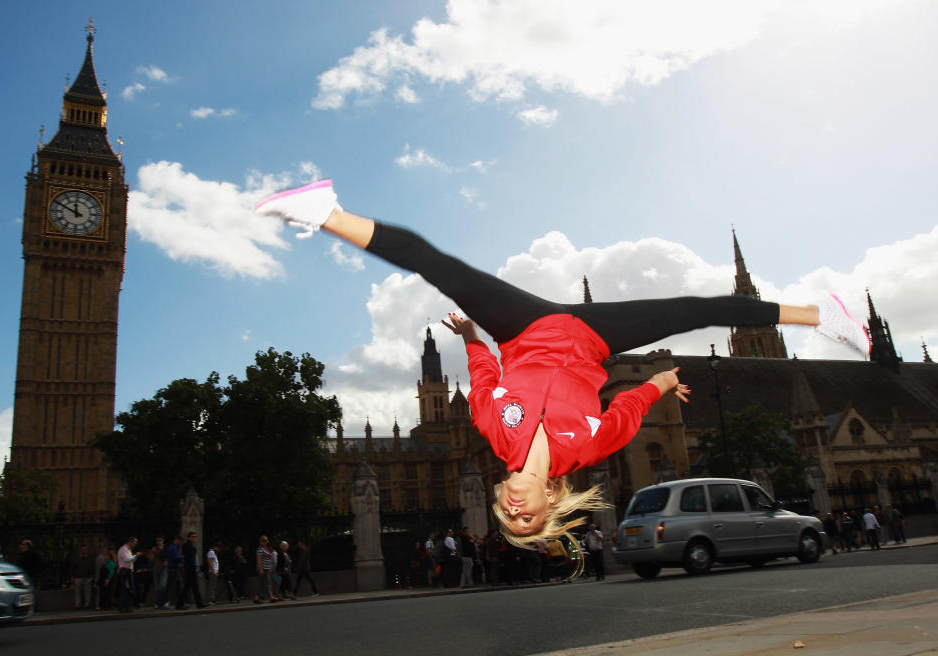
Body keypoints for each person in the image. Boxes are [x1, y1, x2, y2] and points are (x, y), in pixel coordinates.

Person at [257, 180, 870, 551]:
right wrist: (659, 380)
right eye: (528, 519)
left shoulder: (499, 436)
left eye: (507, 515)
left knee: (433, 263)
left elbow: (485, 380)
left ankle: (321, 211)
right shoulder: (590, 448)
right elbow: (629, 409)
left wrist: (472, 335)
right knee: (695, 307)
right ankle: (827, 315)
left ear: (501, 495)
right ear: (548, 502)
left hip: (521, 329)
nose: (513, 509)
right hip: (591, 337)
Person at [178, 532, 205, 610]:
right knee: (189, 587)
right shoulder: (188, 546)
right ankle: (181, 604)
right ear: (189, 537)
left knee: (191, 587)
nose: (194, 538)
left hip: (190, 569)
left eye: (195, 537)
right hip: (190, 569)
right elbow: (190, 559)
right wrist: (194, 569)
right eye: (193, 537)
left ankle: (199, 603)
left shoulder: (189, 546)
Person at [116, 537, 141, 613]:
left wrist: (135, 557)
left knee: (128, 589)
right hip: (124, 571)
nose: (135, 545)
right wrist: (135, 555)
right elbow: (127, 560)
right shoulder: (124, 549)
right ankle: (122, 607)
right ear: (130, 542)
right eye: (134, 543)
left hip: (128, 571)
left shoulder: (128, 550)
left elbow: (131, 560)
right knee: (125, 589)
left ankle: (126, 607)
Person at [69, 544, 93, 610]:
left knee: (87, 591)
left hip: (87, 576)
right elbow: (72, 568)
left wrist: (92, 576)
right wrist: (72, 576)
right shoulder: (75, 557)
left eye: (85, 549)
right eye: (83, 549)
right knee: (77, 591)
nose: (84, 550)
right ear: (80, 550)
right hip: (78, 577)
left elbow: (92, 567)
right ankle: (77, 605)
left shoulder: (90, 557)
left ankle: (87, 604)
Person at [255, 535, 275, 603]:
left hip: (266, 568)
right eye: (265, 540)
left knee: (262, 584)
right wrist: (261, 569)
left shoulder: (265, 548)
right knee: (268, 583)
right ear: (261, 541)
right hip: (263, 569)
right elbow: (259, 560)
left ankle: (256, 598)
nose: (267, 542)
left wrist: (269, 568)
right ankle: (271, 597)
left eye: (267, 540)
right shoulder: (260, 549)